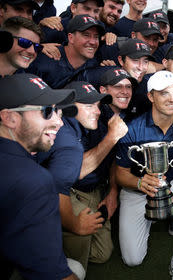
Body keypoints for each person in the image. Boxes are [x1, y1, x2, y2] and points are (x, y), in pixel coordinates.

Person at [115, 71, 173, 280]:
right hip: (135, 189)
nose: (172, 98)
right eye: (164, 93)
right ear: (150, 97)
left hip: (168, 183)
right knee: (132, 259)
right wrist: (139, 182)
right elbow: (120, 174)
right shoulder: (132, 129)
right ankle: (149, 218)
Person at [0, 73, 84, 280]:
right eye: (47, 111)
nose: (59, 122)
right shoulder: (34, 181)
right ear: (10, 117)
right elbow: (54, 275)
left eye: (58, 112)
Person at [37, 80, 128, 272]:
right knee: (81, 232)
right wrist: (112, 138)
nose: (96, 110)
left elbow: (111, 160)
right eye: (88, 105)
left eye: (97, 105)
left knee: (102, 253)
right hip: (60, 192)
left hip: (93, 189)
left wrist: (112, 190)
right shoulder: (62, 130)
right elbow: (75, 172)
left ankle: (54, 239)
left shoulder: (99, 121)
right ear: (68, 108)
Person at [26, 14, 105, 88]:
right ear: (71, 38)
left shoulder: (94, 64)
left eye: (96, 37)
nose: (93, 42)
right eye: (86, 35)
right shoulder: (44, 62)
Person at [39, 0, 104, 44]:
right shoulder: (55, 29)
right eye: (87, 9)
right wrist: (41, 48)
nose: (92, 15)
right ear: (73, 8)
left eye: (96, 11)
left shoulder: (101, 29)